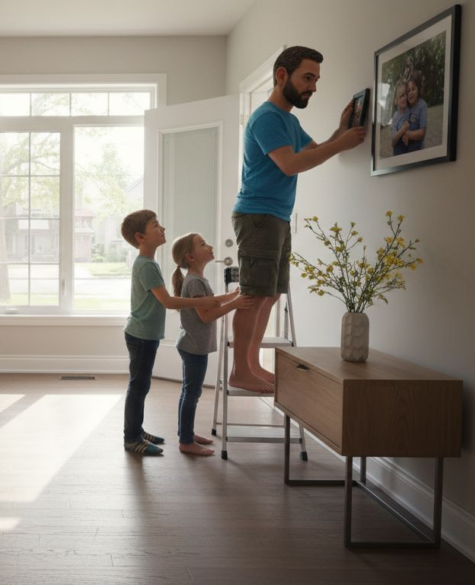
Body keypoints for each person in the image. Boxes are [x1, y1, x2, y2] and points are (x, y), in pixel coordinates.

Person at [230, 46, 366, 393]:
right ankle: (240, 371)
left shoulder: (289, 120)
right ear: (281, 76)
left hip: (276, 216)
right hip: (258, 215)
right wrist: (340, 144)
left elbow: (313, 152)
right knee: (253, 295)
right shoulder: (267, 118)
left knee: (271, 294)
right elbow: (290, 164)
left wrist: (340, 132)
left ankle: (252, 365)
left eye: (316, 80)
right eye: (308, 78)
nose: (313, 87)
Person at [120, 210, 229, 455]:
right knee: (138, 387)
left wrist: (210, 301)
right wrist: (203, 302)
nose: (163, 228)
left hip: (145, 334)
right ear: (141, 237)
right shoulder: (146, 265)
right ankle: (131, 438)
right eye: (155, 225)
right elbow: (168, 302)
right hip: (140, 335)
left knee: (141, 385)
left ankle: (137, 430)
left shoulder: (149, 264)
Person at [171, 233, 254, 456]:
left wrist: (229, 296)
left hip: (192, 344)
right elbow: (206, 315)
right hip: (193, 347)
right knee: (192, 393)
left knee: (189, 391)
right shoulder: (195, 281)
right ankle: (186, 441)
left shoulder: (196, 279)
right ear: (191, 257)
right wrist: (235, 303)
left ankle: (185, 434)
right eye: (202, 244)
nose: (209, 246)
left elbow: (209, 301)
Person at [403, 72, 428, 152]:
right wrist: (404, 137)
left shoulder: (422, 105)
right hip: (407, 151)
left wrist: (406, 134)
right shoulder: (406, 108)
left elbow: (421, 133)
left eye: (413, 89)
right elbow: (404, 126)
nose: (410, 93)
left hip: (419, 151)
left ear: (418, 89)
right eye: (408, 91)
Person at [390, 80, 411, 156]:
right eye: (402, 96)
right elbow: (393, 140)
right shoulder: (395, 117)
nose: (405, 98)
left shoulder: (409, 111)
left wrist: (406, 136)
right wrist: (402, 130)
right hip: (399, 152)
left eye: (406, 94)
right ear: (396, 100)